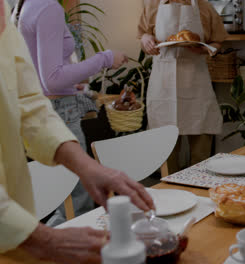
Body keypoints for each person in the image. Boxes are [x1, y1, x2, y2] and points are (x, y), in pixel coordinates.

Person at [0, 1, 154, 263]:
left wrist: (86, 166)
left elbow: (27, 98)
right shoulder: (47, 8)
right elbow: (52, 80)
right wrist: (41, 240)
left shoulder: (14, 8)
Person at [12, 0, 128, 225]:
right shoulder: (48, 7)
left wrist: (69, 85)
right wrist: (105, 58)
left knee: (61, 198)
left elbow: (36, 70)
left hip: (43, 108)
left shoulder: (24, 5)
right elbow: (54, 79)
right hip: (60, 112)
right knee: (75, 205)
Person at [138, 0, 228, 173]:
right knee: (166, 148)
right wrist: (146, 39)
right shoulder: (152, 5)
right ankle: (170, 192)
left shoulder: (204, 6)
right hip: (163, 85)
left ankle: (199, 187)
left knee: (201, 148)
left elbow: (217, 41)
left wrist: (206, 49)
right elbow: (143, 34)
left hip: (196, 83)